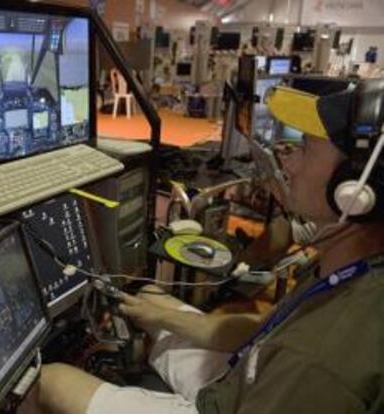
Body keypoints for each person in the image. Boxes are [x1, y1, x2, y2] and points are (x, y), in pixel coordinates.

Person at [22, 79, 384, 414]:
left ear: (353, 187)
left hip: (230, 400)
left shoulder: (317, 364)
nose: (287, 159)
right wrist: (160, 317)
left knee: (49, 379)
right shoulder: (348, 264)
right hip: (244, 377)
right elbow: (262, 327)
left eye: (304, 148)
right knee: (150, 294)